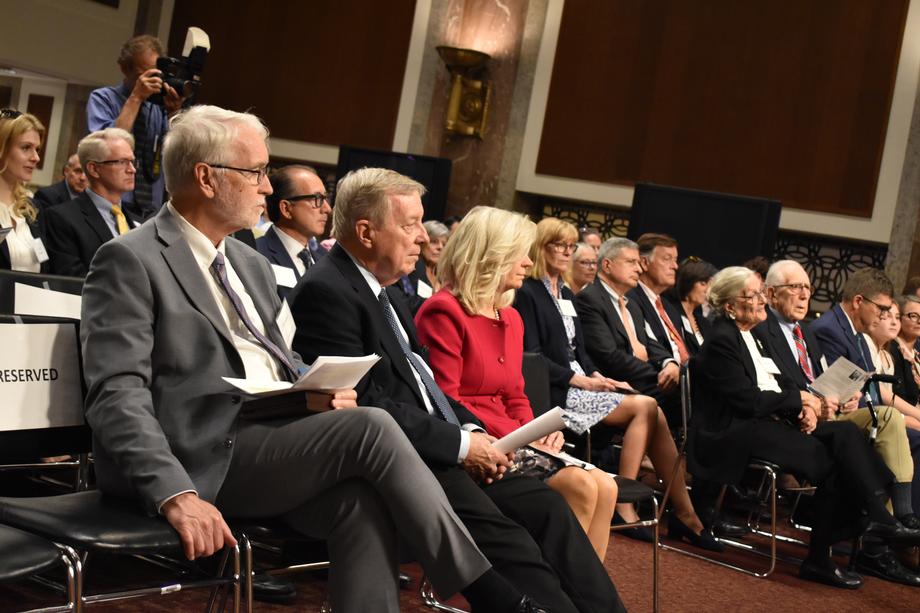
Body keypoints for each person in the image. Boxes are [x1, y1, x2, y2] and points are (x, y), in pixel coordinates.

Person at [80, 106, 529, 613]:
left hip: (270, 437)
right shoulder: (130, 259)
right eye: (255, 173)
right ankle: (490, 594)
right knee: (372, 425)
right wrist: (174, 493)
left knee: (361, 501)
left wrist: (313, 388)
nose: (267, 189)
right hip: (197, 456)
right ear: (206, 177)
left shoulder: (249, 262)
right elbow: (116, 394)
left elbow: (280, 360)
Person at [289, 168, 626, 613]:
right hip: (404, 462)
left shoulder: (380, 291)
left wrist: (473, 433)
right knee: (514, 542)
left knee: (550, 510)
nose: (422, 239)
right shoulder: (330, 292)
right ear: (366, 232)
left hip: (441, 446)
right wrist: (464, 446)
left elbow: (425, 387)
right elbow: (366, 406)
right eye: (409, 225)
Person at [693, 266, 919, 589]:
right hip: (735, 431)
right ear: (730, 306)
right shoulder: (723, 340)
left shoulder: (748, 334)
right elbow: (747, 400)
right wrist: (798, 402)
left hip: (766, 422)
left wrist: (805, 403)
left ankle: (873, 515)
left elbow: (776, 382)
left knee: (844, 434)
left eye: (760, 294)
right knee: (835, 463)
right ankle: (836, 546)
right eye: (753, 295)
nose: (760, 301)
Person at [415, 206, 618, 561]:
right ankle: (551, 594)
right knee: (583, 486)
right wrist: (525, 435)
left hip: (515, 436)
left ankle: (583, 598)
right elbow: (447, 400)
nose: (528, 262)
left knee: (607, 485)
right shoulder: (444, 310)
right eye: (519, 254)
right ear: (492, 256)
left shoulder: (510, 316)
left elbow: (515, 393)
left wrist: (538, 430)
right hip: (480, 445)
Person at [514, 219, 720, 551]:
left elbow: (580, 352)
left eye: (571, 246)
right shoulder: (530, 292)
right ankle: (625, 506)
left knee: (654, 412)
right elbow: (533, 357)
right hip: (558, 390)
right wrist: (578, 378)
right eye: (560, 246)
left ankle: (683, 511)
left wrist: (597, 376)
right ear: (541, 248)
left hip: (582, 384)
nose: (568, 252)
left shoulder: (564, 291)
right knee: (646, 405)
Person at [87, 35, 187, 218]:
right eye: (144, 74)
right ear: (124, 68)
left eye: (155, 74)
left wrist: (174, 112)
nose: (151, 81)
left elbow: (177, 153)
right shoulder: (102, 98)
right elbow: (108, 145)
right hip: (113, 204)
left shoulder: (159, 107)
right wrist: (136, 98)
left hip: (152, 207)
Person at [44, 128, 143, 277]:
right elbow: (72, 280)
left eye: (132, 161)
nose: (132, 169)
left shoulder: (139, 222)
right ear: (94, 169)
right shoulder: (62, 219)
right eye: (122, 162)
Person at [256, 165, 330, 300]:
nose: (327, 209)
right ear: (286, 208)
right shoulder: (257, 255)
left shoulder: (327, 259)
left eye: (325, 199)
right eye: (317, 199)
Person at [628, 233, 691, 370]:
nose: (675, 266)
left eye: (675, 260)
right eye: (667, 259)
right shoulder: (629, 299)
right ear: (644, 263)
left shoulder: (669, 308)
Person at [0, 109, 48, 272]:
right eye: (26, 147)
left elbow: (45, 267)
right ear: (2, 148)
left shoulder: (32, 207)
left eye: (37, 149)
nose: (36, 157)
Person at [893, 294, 920, 520]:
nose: (919, 321)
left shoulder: (917, 355)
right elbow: (888, 397)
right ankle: (911, 518)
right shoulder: (892, 347)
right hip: (895, 418)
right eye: (913, 315)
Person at [670, 257, 718, 355]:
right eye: (703, 284)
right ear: (688, 283)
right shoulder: (670, 314)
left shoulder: (704, 322)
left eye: (709, 285)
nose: (707, 290)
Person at [409, 219, 448, 297]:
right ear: (421, 242)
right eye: (434, 242)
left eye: (444, 244)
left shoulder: (445, 277)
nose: (440, 247)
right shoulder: (410, 270)